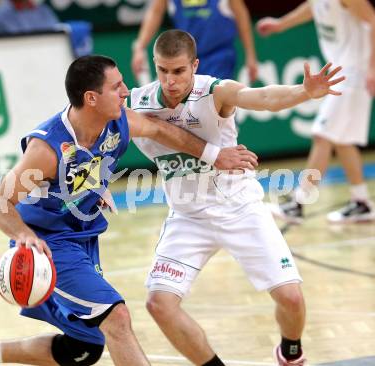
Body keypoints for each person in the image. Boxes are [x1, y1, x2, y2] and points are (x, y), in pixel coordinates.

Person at [0, 55, 258, 366]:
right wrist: (24, 235)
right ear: (91, 98)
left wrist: (214, 155)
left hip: (81, 239)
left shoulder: (117, 122)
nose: (126, 91)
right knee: (117, 318)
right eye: (117, 86)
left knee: (84, 348)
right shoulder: (47, 149)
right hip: (48, 244)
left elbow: (159, 130)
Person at [130, 30, 345, 366]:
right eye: (163, 71)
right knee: (158, 304)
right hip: (188, 217)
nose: (170, 81)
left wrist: (303, 92)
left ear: (194, 66)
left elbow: (263, 98)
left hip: (240, 208)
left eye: (179, 71)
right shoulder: (139, 102)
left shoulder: (215, 91)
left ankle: (290, 351)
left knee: (290, 297)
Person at [256, 0, 375, 224]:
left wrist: (372, 68)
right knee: (342, 141)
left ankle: (298, 203)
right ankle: (361, 202)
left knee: (322, 135)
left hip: (354, 73)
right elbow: (311, 8)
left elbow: (373, 21)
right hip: (342, 72)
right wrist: (280, 24)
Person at [131, 0, 258, 84]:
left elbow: (241, 16)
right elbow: (155, 12)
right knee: (188, 112)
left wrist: (250, 55)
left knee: (216, 103)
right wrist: (140, 47)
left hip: (218, 56)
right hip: (185, 58)